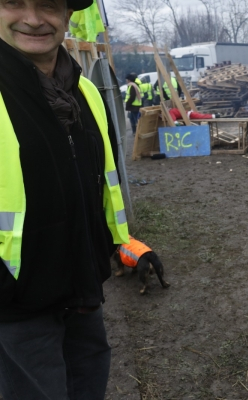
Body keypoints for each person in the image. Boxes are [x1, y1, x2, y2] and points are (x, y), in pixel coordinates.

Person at [0, 0, 130, 398]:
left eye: (49, 5)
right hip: (16, 305)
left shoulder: (85, 91)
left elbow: (95, 184)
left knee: (88, 387)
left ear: (68, 15)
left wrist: (117, 248)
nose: (34, 19)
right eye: (14, 3)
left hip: (83, 289)